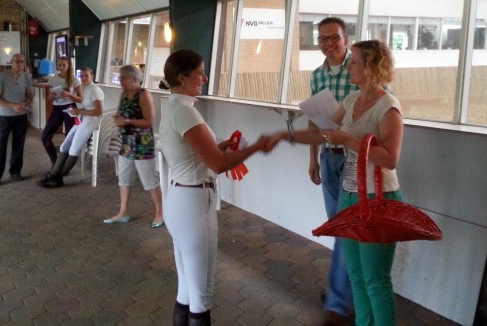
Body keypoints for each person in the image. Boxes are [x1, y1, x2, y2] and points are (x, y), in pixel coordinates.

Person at [272, 40, 403, 326]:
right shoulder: (351, 100)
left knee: (375, 280)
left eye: (354, 62)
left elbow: (390, 159)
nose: (349, 67)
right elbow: (324, 133)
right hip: (349, 195)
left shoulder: (388, 106)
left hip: (378, 199)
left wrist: (350, 141)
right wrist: (287, 136)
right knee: (356, 277)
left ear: (370, 67)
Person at [159, 49, 274, 326]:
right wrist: (257, 147)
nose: (205, 77)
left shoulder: (175, 107)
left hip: (182, 198)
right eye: (200, 72)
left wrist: (221, 146)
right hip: (192, 203)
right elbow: (218, 164)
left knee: (187, 290)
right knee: (201, 292)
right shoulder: (185, 112)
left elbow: (201, 154)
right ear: (182, 77)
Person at [310, 17, 358, 325]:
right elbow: (314, 118)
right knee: (340, 228)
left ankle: (338, 303)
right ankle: (346, 290)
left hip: (355, 159)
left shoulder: (361, 68)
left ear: (346, 38)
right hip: (328, 158)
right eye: (323, 39)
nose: (329, 44)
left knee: (345, 229)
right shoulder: (317, 75)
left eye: (334, 38)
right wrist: (312, 158)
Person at [103, 65, 163, 229]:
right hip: (126, 143)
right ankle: (123, 211)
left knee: (149, 179)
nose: (120, 81)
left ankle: (160, 211)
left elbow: (149, 121)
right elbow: (121, 114)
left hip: (142, 144)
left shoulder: (144, 95)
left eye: (122, 78)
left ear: (133, 79)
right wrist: (118, 119)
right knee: (124, 178)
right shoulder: (124, 94)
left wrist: (128, 122)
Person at [37, 67, 104, 188]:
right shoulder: (83, 89)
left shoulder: (95, 90)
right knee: (64, 146)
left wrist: (80, 111)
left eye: (86, 76)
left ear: (92, 76)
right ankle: (54, 174)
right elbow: (82, 106)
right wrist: (76, 111)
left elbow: (99, 111)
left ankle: (56, 178)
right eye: (81, 76)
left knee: (74, 149)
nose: (83, 78)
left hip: (91, 121)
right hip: (83, 119)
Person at [0, 53, 33, 186]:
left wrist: (24, 104)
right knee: (1, 146)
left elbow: (30, 96)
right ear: (11, 62)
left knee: (18, 146)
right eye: (17, 61)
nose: (20, 64)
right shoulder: (2, 76)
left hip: (21, 116)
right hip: (5, 116)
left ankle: (15, 171)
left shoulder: (26, 76)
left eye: (22, 62)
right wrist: (12, 106)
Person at [41, 56, 82, 166]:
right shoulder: (53, 79)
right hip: (57, 108)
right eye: (59, 65)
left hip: (70, 108)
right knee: (45, 137)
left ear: (69, 66)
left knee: (69, 137)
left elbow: (81, 98)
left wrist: (69, 95)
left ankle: (65, 164)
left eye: (64, 65)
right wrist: (53, 95)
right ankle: (55, 162)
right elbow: (48, 99)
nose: (61, 67)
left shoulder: (74, 79)